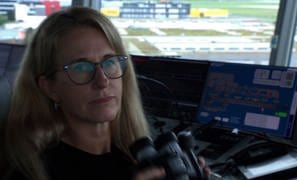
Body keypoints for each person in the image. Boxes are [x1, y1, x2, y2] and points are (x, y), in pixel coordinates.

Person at [0, 6, 210, 180]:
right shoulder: (28, 170)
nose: (102, 81)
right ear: (49, 87)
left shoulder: (140, 157)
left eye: (110, 62)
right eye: (81, 68)